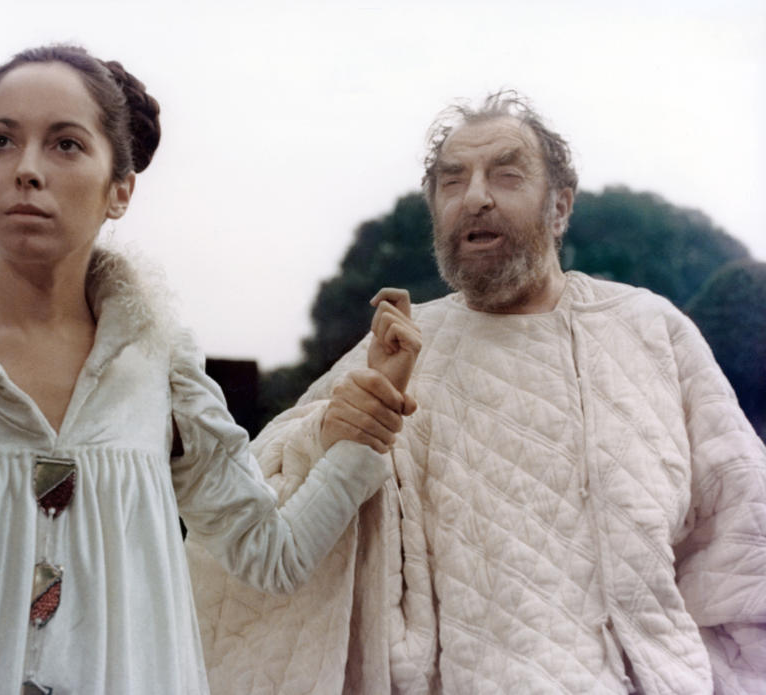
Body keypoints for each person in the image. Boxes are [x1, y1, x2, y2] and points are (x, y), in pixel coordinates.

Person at [0, 45, 423, 695]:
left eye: (65, 145)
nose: (27, 170)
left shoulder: (162, 372)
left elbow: (273, 554)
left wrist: (363, 431)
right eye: (2, 141)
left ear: (120, 191)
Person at [186, 92, 766, 694]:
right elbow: (255, 502)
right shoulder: (397, 348)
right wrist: (334, 432)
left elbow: (743, 540)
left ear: (560, 207)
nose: (476, 196)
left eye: (507, 175)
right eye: (452, 181)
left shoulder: (652, 330)